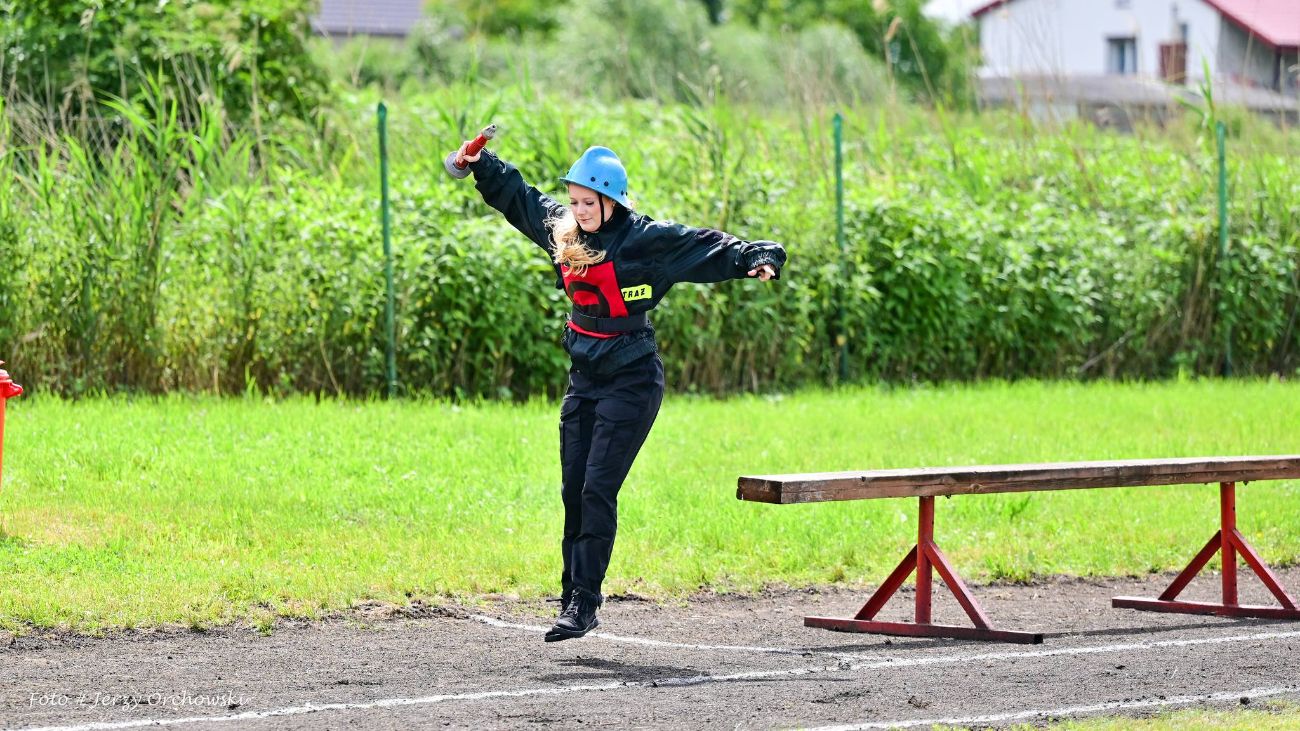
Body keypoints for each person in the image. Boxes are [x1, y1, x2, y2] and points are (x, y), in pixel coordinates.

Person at [454, 140, 786, 642]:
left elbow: (704, 245)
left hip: (632, 381)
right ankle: (571, 596)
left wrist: (756, 256)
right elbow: (520, 198)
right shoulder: (564, 231)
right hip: (584, 381)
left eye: (589, 202)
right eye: (575, 201)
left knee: (596, 488)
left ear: (612, 201)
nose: (580, 211)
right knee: (572, 491)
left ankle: (585, 603)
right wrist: (482, 165)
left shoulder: (643, 241)